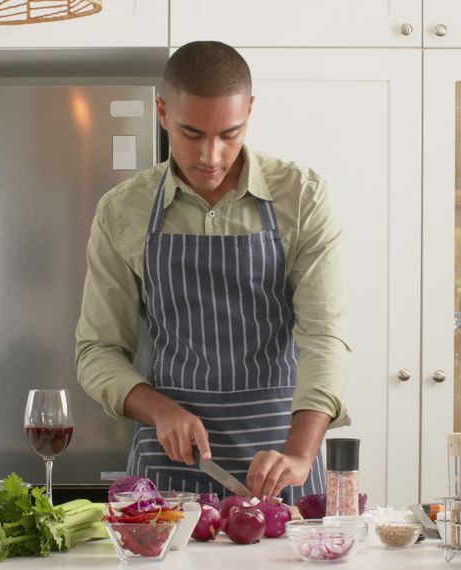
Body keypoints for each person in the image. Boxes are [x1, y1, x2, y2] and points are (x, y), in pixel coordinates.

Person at [75, 40, 351, 503]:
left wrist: (301, 454)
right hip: (165, 476)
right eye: (192, 133)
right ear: (162, 112)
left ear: (250, 111)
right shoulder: (123, 210)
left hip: (283, 464)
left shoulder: (302, 197)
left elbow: (325, 336)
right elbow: (97, 350)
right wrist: (161, 411)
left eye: (229, 133)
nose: (212, 155)